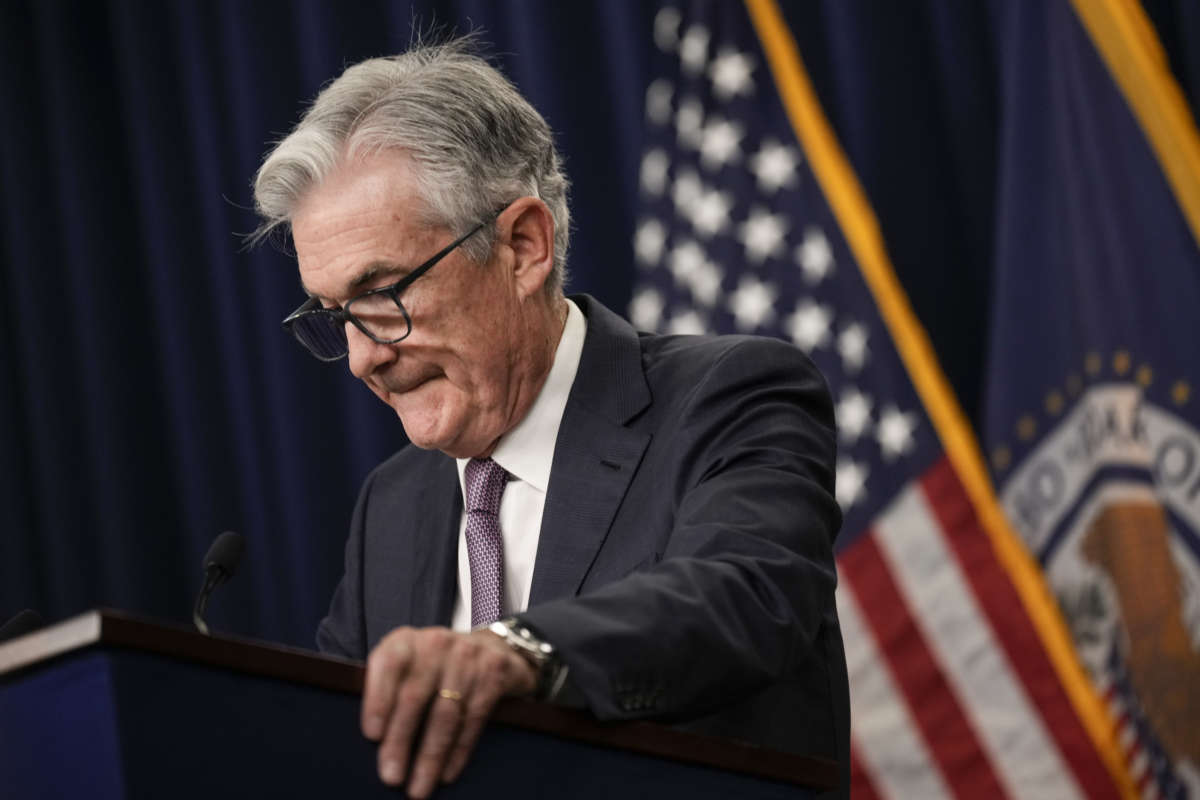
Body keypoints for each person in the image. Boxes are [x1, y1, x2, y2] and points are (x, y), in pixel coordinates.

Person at [252, 37, 848, 799]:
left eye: (384, 293)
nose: (365, 358)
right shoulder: (393, 508)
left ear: (523, 247)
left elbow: (747, 596)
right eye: (336, 316)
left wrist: (519, 652)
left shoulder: (729, 398)